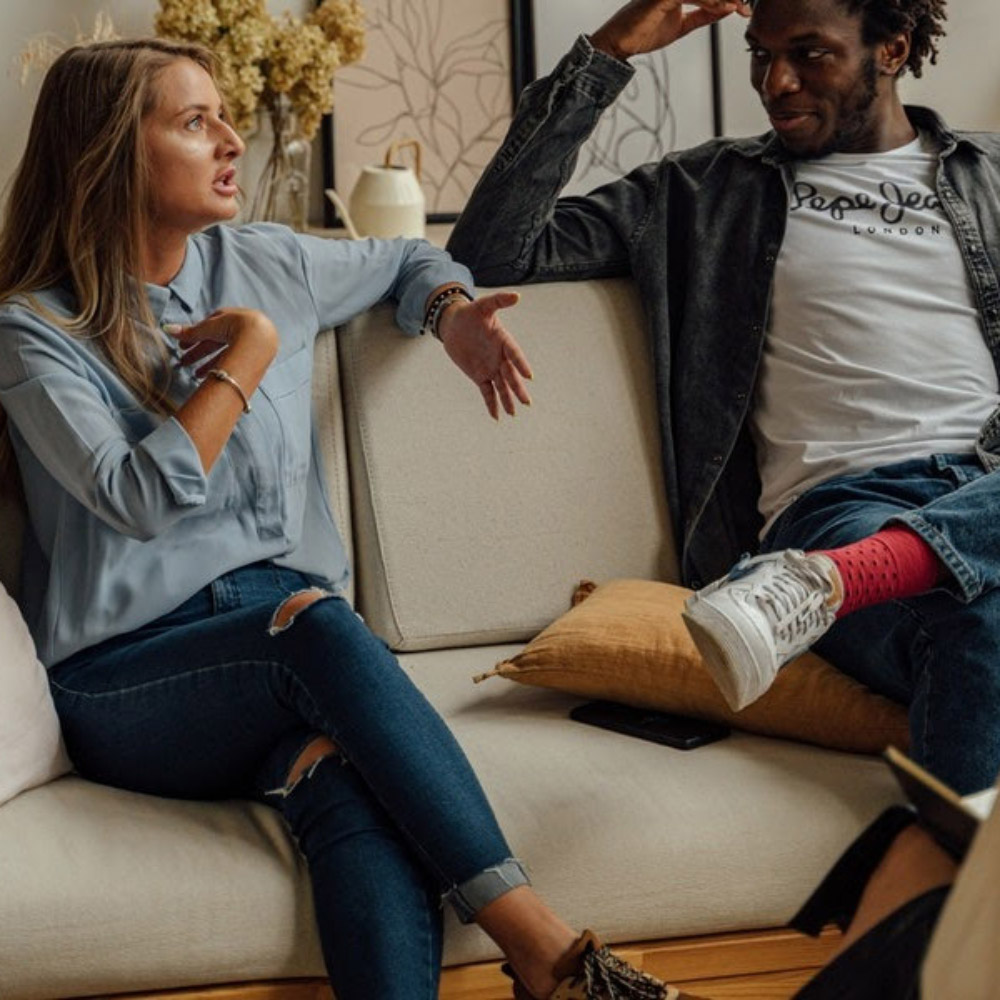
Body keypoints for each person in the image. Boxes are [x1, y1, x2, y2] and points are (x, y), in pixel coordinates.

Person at [0, 38, 695, 1000]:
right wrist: (247, 353)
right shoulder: (35, 330)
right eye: (194, 121)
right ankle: (540, 946)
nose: (230, 139)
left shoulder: (269, 259)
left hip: (291, 661)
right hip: (130, 682)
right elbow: (142, 497)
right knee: (317, 624)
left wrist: (449, 309)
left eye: (224, 115)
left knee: (343, 783)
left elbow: (414, 254)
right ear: (111, 149)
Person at [447, 0, 1000, 797]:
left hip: (984, 488)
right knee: (979, 616)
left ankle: (837, 583)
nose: (776, 81)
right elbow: (492, 251)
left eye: (809, 54)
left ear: (893, 49)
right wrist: (609, 52)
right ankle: (944, 912)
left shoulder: (989, 177)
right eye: (761, 54)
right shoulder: (700, 193)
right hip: (845, 509)